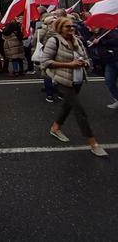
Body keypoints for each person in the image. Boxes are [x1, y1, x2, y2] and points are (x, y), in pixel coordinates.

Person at [42, 17, 108, 157]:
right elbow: (45, 62)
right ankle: (93, 143)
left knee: (68, 105)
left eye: (72, 26)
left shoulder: (77, 41)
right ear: (60, 28)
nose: (71, 29)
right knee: (79, 110)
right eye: (67, 27)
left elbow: (86, 57)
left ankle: (55, 127)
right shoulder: (54, 41)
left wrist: (85, 63)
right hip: (62, 80)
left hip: (77, 79)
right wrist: (69, 65)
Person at [87, 26, 118, 109]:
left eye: (89, 27)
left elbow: (115, 41)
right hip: (109, 62)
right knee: (109, 82)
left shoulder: (109, 31)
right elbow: (90, 44)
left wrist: (101, 41)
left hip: (116, 59)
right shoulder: (96, 34)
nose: (88, 29)